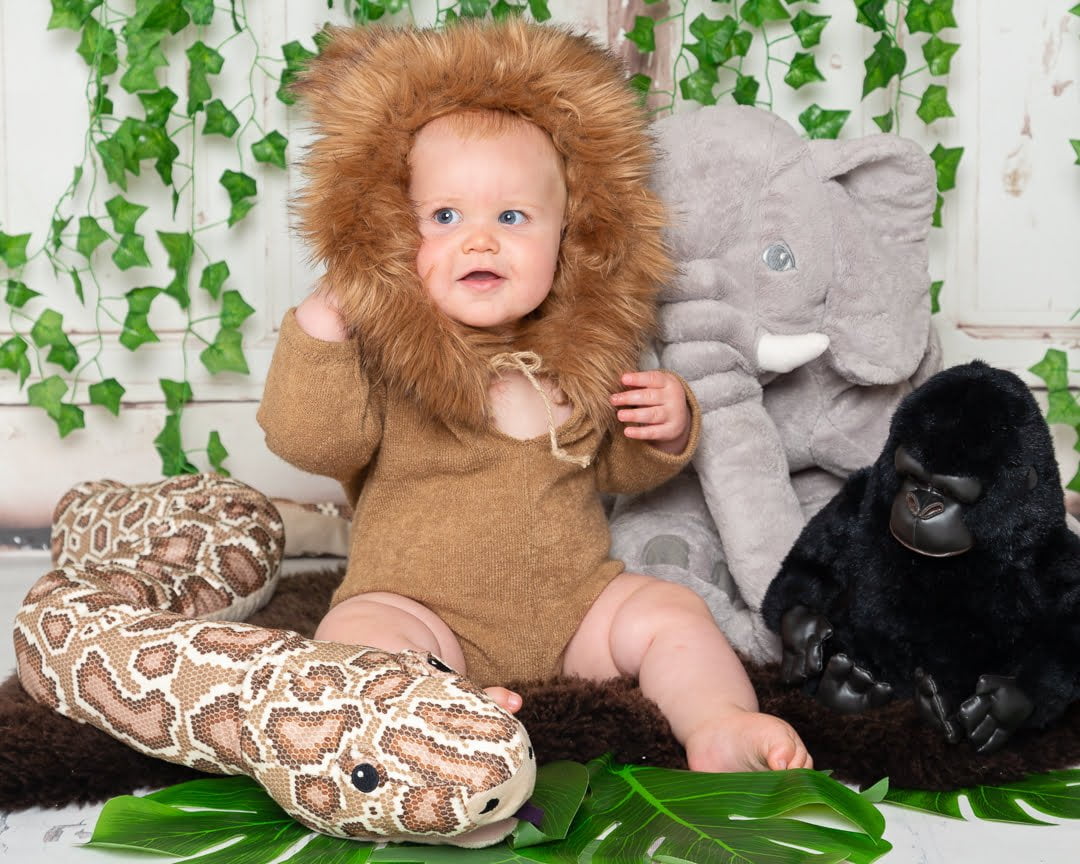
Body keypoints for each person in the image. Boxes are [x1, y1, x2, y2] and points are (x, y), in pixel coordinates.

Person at [257, 20, 811, 775]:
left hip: (574, 613)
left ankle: (718, 723)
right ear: (392, 232)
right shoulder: (385, 354)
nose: (479, 240)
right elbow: (313, 442)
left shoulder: (580, 354)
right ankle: (442, 718)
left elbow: (621, 469)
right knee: (357, 636)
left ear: (569, 238)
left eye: (512, 218)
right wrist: (322, 331)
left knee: (669, 613)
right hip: (421, 611)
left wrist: (665, 424)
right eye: (445, 217)